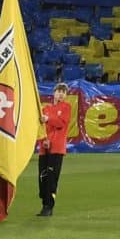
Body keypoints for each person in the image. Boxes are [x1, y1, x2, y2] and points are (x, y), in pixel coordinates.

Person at [37, 84, 75, 216]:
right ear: (54, 93)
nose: (61, 94)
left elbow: (61, 123)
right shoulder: (45, 108)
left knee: (52, 177)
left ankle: (49, 206)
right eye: (59, 91)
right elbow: (40, 127)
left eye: (64, 92)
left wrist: (48, 119)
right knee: (43, 176)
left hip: (57, 148)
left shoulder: (66, 107)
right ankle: (44, 203)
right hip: (44, 147)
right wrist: (43, 140)